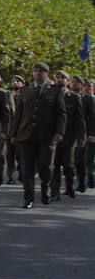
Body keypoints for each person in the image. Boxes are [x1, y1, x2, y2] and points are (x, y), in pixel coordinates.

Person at [9, 63, 65, 208]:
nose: (38, 73)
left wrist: (60, 132)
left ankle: (45, 190)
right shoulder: (25, 90)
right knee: (27, 168)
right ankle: (29, 198)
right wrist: (13, 133)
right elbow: (18, 113)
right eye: (35, 71)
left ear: (47, 74)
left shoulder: (55, 91)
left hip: (47, 136)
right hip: (26, 134)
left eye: (41, 71)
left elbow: (60, 114)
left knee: (45, 167)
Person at [52, 70, 86, 199]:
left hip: (69, 137)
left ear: (67, 82)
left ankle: (69, 186)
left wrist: (82, 137)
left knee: (67, 165)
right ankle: (55, 191)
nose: (60, 80)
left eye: (63, 78)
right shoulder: (50, 96)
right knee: (54, 166)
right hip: (53, 137)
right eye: (58, 77)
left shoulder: (74, 97)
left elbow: (79, 119)